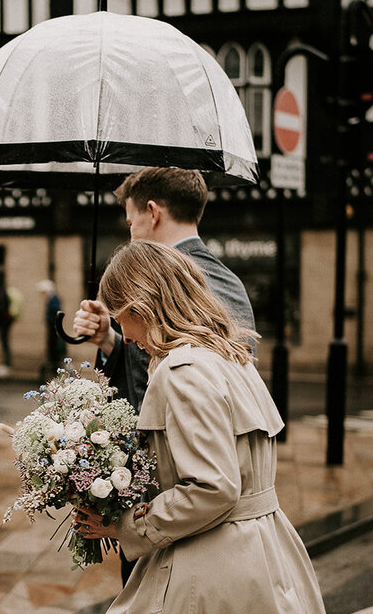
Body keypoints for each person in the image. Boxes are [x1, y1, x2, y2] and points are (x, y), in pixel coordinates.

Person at [31, 239, 358, 614]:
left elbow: (213, 487)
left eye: (122, 318)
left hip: (215, 568)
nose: (125, 334)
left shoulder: (182, 372)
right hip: (265, 553)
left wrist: (125, 523)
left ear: (143, 305)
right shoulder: (231, 355)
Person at [73, 167, 257, 585]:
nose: (130, 230)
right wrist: (110, 341)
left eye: (130, 219)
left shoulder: (208, 280)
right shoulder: (164, 281)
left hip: (179, 499)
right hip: (163, 498)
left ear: (151, 212)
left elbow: (216, 379)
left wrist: (136, 521)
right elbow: (153, 368)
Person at [0, 282, 21, 375]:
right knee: (5, 342)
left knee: (5, 342)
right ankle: (7, 361)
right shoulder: (4, 296)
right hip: (4, 323)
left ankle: (7, 362)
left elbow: (1, 310)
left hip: (4, 324)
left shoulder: (3, 298)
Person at [37, 279, 66, 374]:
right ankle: (53, 363)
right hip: (52, 326)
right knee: (51, 345)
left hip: (53, 326)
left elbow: (56, 311)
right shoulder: (51, 298)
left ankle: (55, 365)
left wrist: (49, 318)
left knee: (53, 345)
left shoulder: (53, 298)